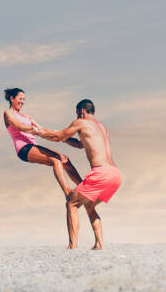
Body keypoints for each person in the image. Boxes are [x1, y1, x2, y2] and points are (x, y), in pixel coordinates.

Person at [35, 99, 122, 250]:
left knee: (72, 203)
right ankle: (99, 244)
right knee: (89, 205)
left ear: (81, 111)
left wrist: (40, 132)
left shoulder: (80, 122)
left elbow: (57, 136)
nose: (76, 116)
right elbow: (81, 144)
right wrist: (66, 139)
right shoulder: (101, 127)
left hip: (101, 173)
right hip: (115, 174)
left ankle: (72, 246)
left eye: (76, 113)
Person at [3, 88, 82, 198]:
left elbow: (43, 130)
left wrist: (62, 137)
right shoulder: (8, 113)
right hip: (23, 148)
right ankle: (68, 192)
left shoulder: (27, 116)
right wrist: (34, 129)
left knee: (65, 160)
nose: (22, 102)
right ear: (12, 98)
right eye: (20, 99)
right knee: (56, 160)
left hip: (33, 146)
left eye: (24, 99)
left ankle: (84, 188)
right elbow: (19, 126)